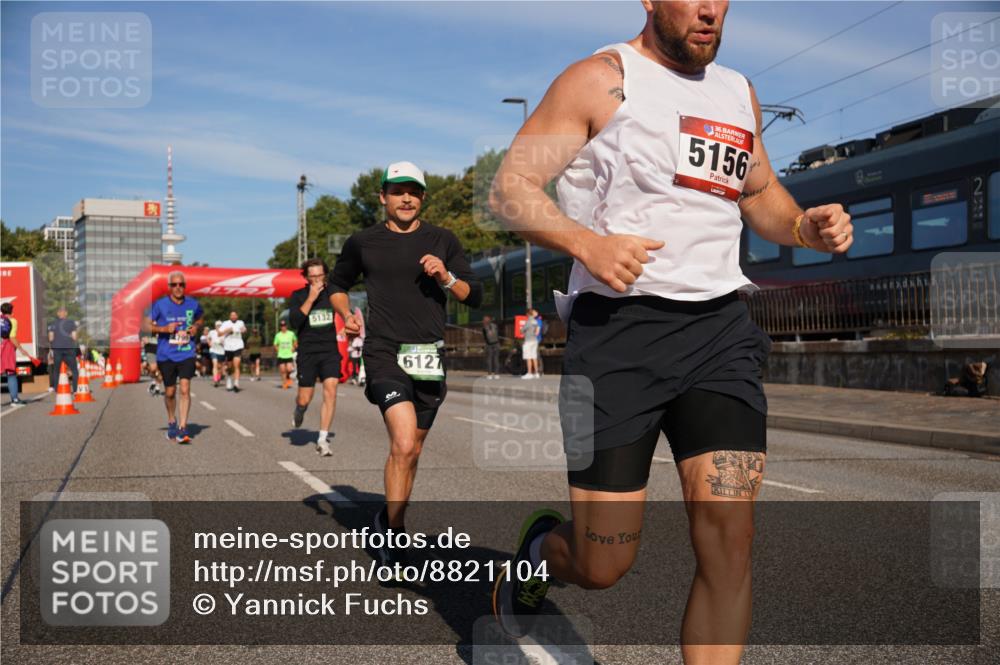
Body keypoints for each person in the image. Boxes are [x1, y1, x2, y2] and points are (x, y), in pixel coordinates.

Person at [488, 2, 854, 662]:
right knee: (603, 561)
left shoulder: (737, 91)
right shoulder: (600, 79)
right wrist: (588, 244)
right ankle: (541, 552)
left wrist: (804, 227)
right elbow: (510, 187)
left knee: (730, 539)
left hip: (720, 334)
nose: (710, 9)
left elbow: (759, 193)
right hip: (618, 335)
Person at [329, 160, 481, 567]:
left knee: (413, 451)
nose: (406, 198)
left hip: (429, 356)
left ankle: (387, 518)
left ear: (423, 197)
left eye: (413, 191)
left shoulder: (442, 239)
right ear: (383, 197)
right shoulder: (363, 242)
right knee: (403, 443)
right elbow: (337, 285)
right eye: (398, 191)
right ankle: (394, 538)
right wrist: (346, 315)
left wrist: (446, 277)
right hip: (384, 353)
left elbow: (474, 295)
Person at [144, 270, 204, 443]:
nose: (178, 287)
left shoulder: (193, 303)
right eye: (174, 284)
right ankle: (172, 420)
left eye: (181, 284)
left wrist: (196, 326)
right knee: (170, 392)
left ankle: (183, 428)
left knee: (185, 389)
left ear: (185, 286)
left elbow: (200, 318)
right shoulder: (160, 304)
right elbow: (145, 325)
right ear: (169, 287)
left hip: (187, 352)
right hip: (166, 354)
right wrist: (163, 329)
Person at [288, 258, 341, 456]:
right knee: (305, 398)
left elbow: (344, 308)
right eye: (313, 277)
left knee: (331, 389)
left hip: (329, 350)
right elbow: (294, 322)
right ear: (306, 277)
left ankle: (322, 439)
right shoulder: (298, 295)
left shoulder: (332, 293)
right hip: (307, 352)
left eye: (320, 275)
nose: (317, 280)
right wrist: (310, 298)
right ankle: (300, 409)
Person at [1, 302, 36, 405]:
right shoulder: (12, 321)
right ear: (11, 311)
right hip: (7, 348)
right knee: (11, 373)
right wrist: (21, 349)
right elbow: (12, 337)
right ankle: (15, 400)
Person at [47, 306, 79, 394]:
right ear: (66, 313)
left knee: (56, 370)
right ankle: (75, 390)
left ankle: (57, 390)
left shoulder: (53, 324)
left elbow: (50, 338)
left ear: (58, 314)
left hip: (57, 349)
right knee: (74, 369)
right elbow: (74, 337)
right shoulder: (71, 323)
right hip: (69, 348)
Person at [220, 312, 246, 392]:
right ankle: (228, 379)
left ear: (237, 316)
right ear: (230, 316)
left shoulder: (240, 322)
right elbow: (219, 333)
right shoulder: (225, 323)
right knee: (229, 366)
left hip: (238, 346)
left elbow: (243, 329)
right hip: (228, 347)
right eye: (232, 315)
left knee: (236, 365)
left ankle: (236, 384)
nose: (234, 316)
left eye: (235, 315)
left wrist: (244, 330)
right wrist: (227, 331)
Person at [273, 320, 298, 389]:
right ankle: (284, 383)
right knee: (283, 370)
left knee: (289, 369)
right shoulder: (278, 335)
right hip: (281, 355)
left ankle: (288, 376)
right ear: (280, 327)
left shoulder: (291, 334)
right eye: (282, 326)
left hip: (289, 354)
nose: (283, 327)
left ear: (286, 326)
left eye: (284, 325)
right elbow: (275, 344)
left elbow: (295, 340)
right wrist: (277, 350)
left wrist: (294, 347)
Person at [519, 311, 540, 379]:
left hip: (528, 341)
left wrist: (521, 330)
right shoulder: (535, 321)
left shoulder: (528, 321)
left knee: (528, 357)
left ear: (528, 314)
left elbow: (522, 330)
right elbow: (537, 331)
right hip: (534, 340)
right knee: (534, 357)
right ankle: (536, 373)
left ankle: (529, 373)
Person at [482, 315, 500, 379]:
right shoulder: (495, 326)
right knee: (496, 359)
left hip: (489, 344)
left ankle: (489, 374)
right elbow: (497, 334)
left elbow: (485, 337)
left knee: (489, 359)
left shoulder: (484, 328)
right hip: (496, 343)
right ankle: (496, 374)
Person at [208, 321, 225, 387]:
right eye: (217, 325)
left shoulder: (224, 333)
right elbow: (208, 338)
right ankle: (215, 380)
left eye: (220, 325)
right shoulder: (211, 332)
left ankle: (218, 378)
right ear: (215, 326)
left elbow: (226, 342)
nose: (219, 326)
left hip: (221, 351)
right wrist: (209, 344)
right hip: (213, 350)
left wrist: (222, 343)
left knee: (219, 367)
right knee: (215, 364)